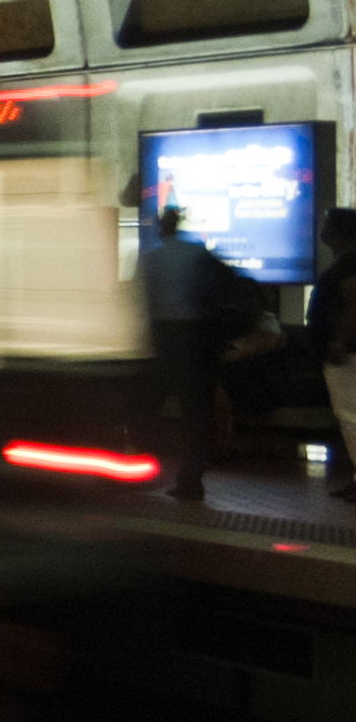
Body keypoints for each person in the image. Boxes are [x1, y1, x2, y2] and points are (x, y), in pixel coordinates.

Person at [139, 205, 236, 503]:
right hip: (197, 340)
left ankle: (147, 468)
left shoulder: (149, 258)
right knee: (197, 414)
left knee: (147, 408)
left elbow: (140, 301)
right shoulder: (198, 252)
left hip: (162, 339)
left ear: (159, 227)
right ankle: (191, 479)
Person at [311, 209, 356, 502]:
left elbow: (353, 304)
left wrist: (339, 341)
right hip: (347, 352)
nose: (322, 231)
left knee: (351, 416)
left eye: (327, 225)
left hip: (347, 355)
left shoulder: (348, 266)